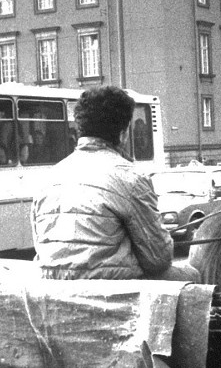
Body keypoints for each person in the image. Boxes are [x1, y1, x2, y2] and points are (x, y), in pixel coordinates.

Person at [32, 85, 200, 281]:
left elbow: (40, 248)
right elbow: (159, 260)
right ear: (123, 133)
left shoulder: (48, 179)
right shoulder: (131, 178)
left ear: (81, 128)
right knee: (192, 275)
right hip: (112, 291)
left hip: (53, 288)